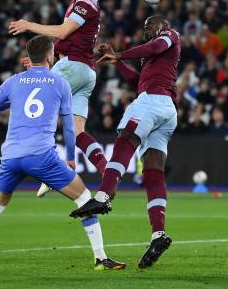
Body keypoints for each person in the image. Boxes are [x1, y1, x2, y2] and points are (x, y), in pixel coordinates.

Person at [0, 36, 125, 271]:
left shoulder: (13, 81)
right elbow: (68, 126)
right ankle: (100, 259)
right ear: (49, 57)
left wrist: (12, 100)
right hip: (42, 156)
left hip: (11, 157)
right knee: (85, 198)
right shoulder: (60, 83)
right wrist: (70, 158)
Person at [71, 15, 180, 269]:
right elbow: (137, 82)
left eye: (148, 26)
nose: (145, 30)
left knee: (125, 141)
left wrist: (119, 54)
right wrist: (115, 60)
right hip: (164, 109)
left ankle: (104, 195)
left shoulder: (169, 35)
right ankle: (158, 235)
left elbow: (154, 46)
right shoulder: (154, 58)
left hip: (153, 102)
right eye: (143, 28)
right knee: (154, 172)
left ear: (161, 25)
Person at [8, 0, 109, 197]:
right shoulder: (82, 1)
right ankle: (108, 172)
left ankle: (50, 172)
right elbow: (73, 41)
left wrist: (28, 25)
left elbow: (62, 32)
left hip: (72, 68)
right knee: (78, 131)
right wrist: (41, 64)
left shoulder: (85, 3)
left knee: (36, 113)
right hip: (85, 72)